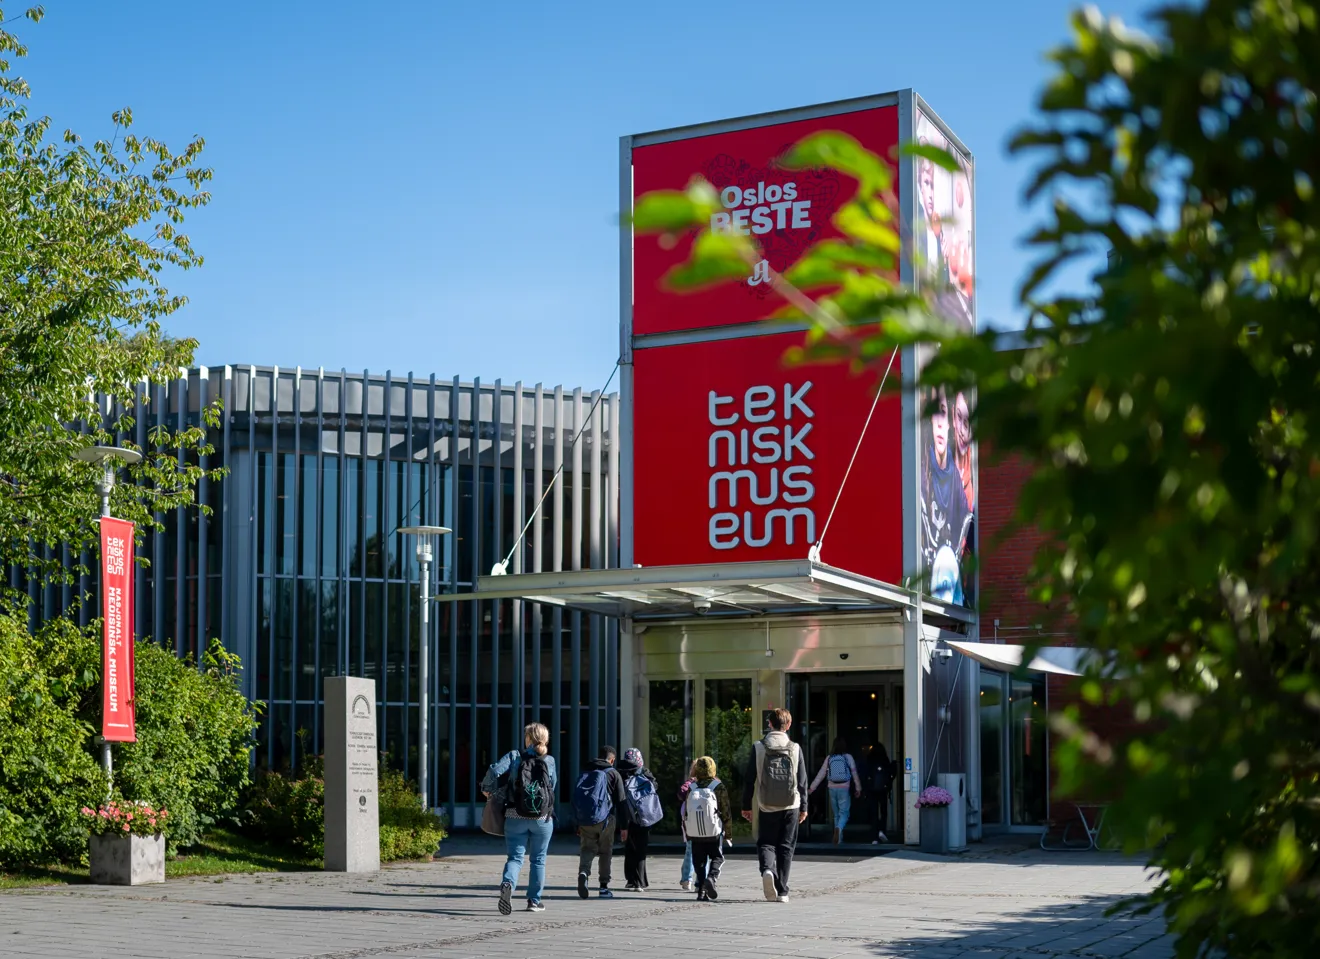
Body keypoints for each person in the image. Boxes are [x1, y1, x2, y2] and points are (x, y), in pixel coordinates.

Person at [481, 722, 557, 915]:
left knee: (515, 858)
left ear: (528, 738)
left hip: (515, 815)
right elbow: (552, 787)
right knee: (538, 860)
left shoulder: (514, 755)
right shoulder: (549, 761)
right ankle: (534, 901)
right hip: (542, 818)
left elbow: (494, 770)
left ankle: (508, 884)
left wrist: (487, 790)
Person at [741, 708, 808, 903]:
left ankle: (767, 870)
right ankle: (783, 891)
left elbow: (749, 779)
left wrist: (746, 806)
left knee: (766, 842)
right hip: (791, 805)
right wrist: (804, 807)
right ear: (788, 725)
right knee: (786, 846)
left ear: (769, 724)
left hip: (766, 805)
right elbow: (802, 781)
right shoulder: (795, 748)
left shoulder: (758, 747)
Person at [572, 745, 626, 900]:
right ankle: (603, 887)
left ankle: (583, 873)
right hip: (606, 820)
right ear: (612, 759)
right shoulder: (613, 774)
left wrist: (577, 822)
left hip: (585, 819)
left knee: (587, 848)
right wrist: (624, 827)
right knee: (605, 852)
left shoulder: (587, 771)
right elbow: (621, 801)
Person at [679, 755, 731, 902]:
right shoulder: (718, 786)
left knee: (699, 861)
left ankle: (701, 891)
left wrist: (687, 832)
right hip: (714, 831)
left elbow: (687, 812)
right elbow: (726, 811)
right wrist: (728, 833)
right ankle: (711, 878)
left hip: (695, 832)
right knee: (717, 857)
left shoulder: (691, 787)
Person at [617, 747, 661, 891]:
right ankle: (640, 881)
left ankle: (631, 880)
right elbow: (654, 786)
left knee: (630, 848)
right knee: (641, 850)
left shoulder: (621, 772)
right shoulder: (644, 772)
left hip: (628, 817)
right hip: (644, 816)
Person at [807, 736, 862, 845]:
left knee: (836, 814)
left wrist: (811, 788)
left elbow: (821, 775)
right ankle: (839, 829)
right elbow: (854, 774)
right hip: (844, 788)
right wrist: (858, 788)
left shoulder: (829, 758)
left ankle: (839, 839)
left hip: (832, 788)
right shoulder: (848, 757)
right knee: (844, 813)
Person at [677, 760, 698, 891]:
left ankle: (686, 879)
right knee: (705, 851)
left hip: (689, 820)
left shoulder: (690, 783)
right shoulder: (713, 782)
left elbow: (680, 793)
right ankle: (701, 879)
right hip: (707, 823)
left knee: (690, 849)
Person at [870, 741, 897, 844]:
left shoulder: (870, 759)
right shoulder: (884, 759)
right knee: (883, 812)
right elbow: (890, 773)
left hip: (872, 789)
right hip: (883, 789)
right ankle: (882, 831)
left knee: (874, 813)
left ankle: (874, 837)